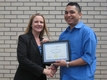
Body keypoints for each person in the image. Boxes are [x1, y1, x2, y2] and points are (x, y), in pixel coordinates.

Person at [51, 2, 98, 80]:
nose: (68, 15)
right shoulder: (63, 35)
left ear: (80, 14)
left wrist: (67, 64)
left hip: (82, 77)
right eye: (66, 12)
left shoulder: (87, 33)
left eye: (72, 12)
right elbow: (61, 56)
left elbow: (88, 58)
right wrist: (55, 66)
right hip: (65, 77)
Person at [14, 13, 53, 80]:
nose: (39, 24)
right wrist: (42, 70)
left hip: (40, 78)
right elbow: (22, 59)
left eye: (41, 22)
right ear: (31, 24)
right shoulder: (23, 38)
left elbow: (48, 63)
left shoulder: (43, 41)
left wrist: (47, 48)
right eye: (36, 22)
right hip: (25, 77)